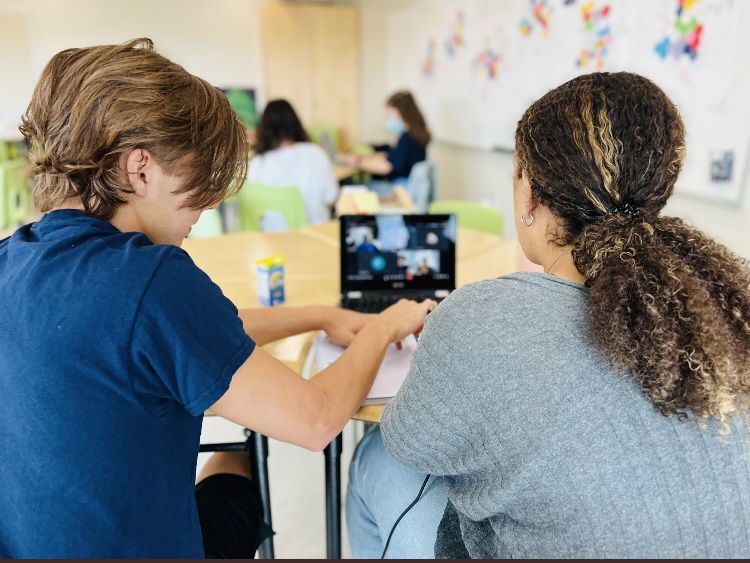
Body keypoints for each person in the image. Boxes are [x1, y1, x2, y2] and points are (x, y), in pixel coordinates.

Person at [0, 38, 435, 559]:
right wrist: (386, 325)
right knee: (246, 455)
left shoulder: (14, 256)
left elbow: (181, 336)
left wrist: (321, 315)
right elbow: (316, 420)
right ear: (140, 169)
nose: (205, 204)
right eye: (197, 179)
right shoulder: (150, 276)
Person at [346, 72, 750, 558]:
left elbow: (409, 444)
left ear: (531, 194)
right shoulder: (723, 312)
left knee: (375, 455)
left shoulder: (476, 314)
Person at [247, 99, 338, 225]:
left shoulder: (256, 163)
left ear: (263, 128)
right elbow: (331, 198)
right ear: (296, 123)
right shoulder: (315, 153)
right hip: (315, 236)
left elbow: (254, 211)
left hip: (271, 239)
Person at [339, 90, 430, 188]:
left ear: (401, 113)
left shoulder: (407, 138)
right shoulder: (415, 134)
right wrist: (364, 158)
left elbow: (386, 167)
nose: (388, 119)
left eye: (389, 115)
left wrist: (356, 161)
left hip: (399, 188)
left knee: (348, 184)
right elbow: (393, 157)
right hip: (406, 185)